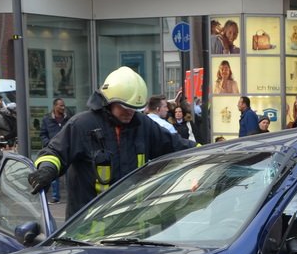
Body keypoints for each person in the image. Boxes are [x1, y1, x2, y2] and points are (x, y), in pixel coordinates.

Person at [27, 66, 190, 218]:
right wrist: (47, 170)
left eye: (134, 108)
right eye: (124, 107)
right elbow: (54, 152)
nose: (129, 112)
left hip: (131, 228)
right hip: (86, 232)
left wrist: (211, 152)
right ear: (108, 102)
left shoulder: (142, 125)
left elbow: (175, 146)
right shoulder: (82, 125)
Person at [40, 97, 69, 203]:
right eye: (60, 105)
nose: (63, 107)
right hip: (53, 150)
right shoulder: (47, 119)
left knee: (69, 173)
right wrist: (48, 144)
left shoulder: (68, 118)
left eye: (63, 105)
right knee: (54, 172)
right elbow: (43, 134)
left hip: (66, 148)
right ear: (55, 106)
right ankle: (55, 197)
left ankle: (70, 195)